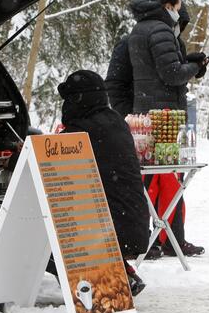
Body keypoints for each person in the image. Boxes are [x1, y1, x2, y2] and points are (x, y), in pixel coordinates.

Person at [127, 0, 209, 257]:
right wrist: (194, 67)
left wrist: (188, 61)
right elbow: (171, 74)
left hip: (144, 112)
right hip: (165, 115)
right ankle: (164, 238)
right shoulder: (160, 29)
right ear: (169, 5)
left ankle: (155, 238)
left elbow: (154, 69)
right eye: (177, 7)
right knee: (168, 177)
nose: (178, 12)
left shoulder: (139, 29)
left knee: (152, 178)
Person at [57, 70, 150, 295]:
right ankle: (120, 271)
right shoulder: (116, 121)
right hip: (134, 225)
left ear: (76, 99)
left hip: (109, 230)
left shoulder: (80, 130)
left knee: (53, 228)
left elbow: (55, 170)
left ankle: (108, 277)